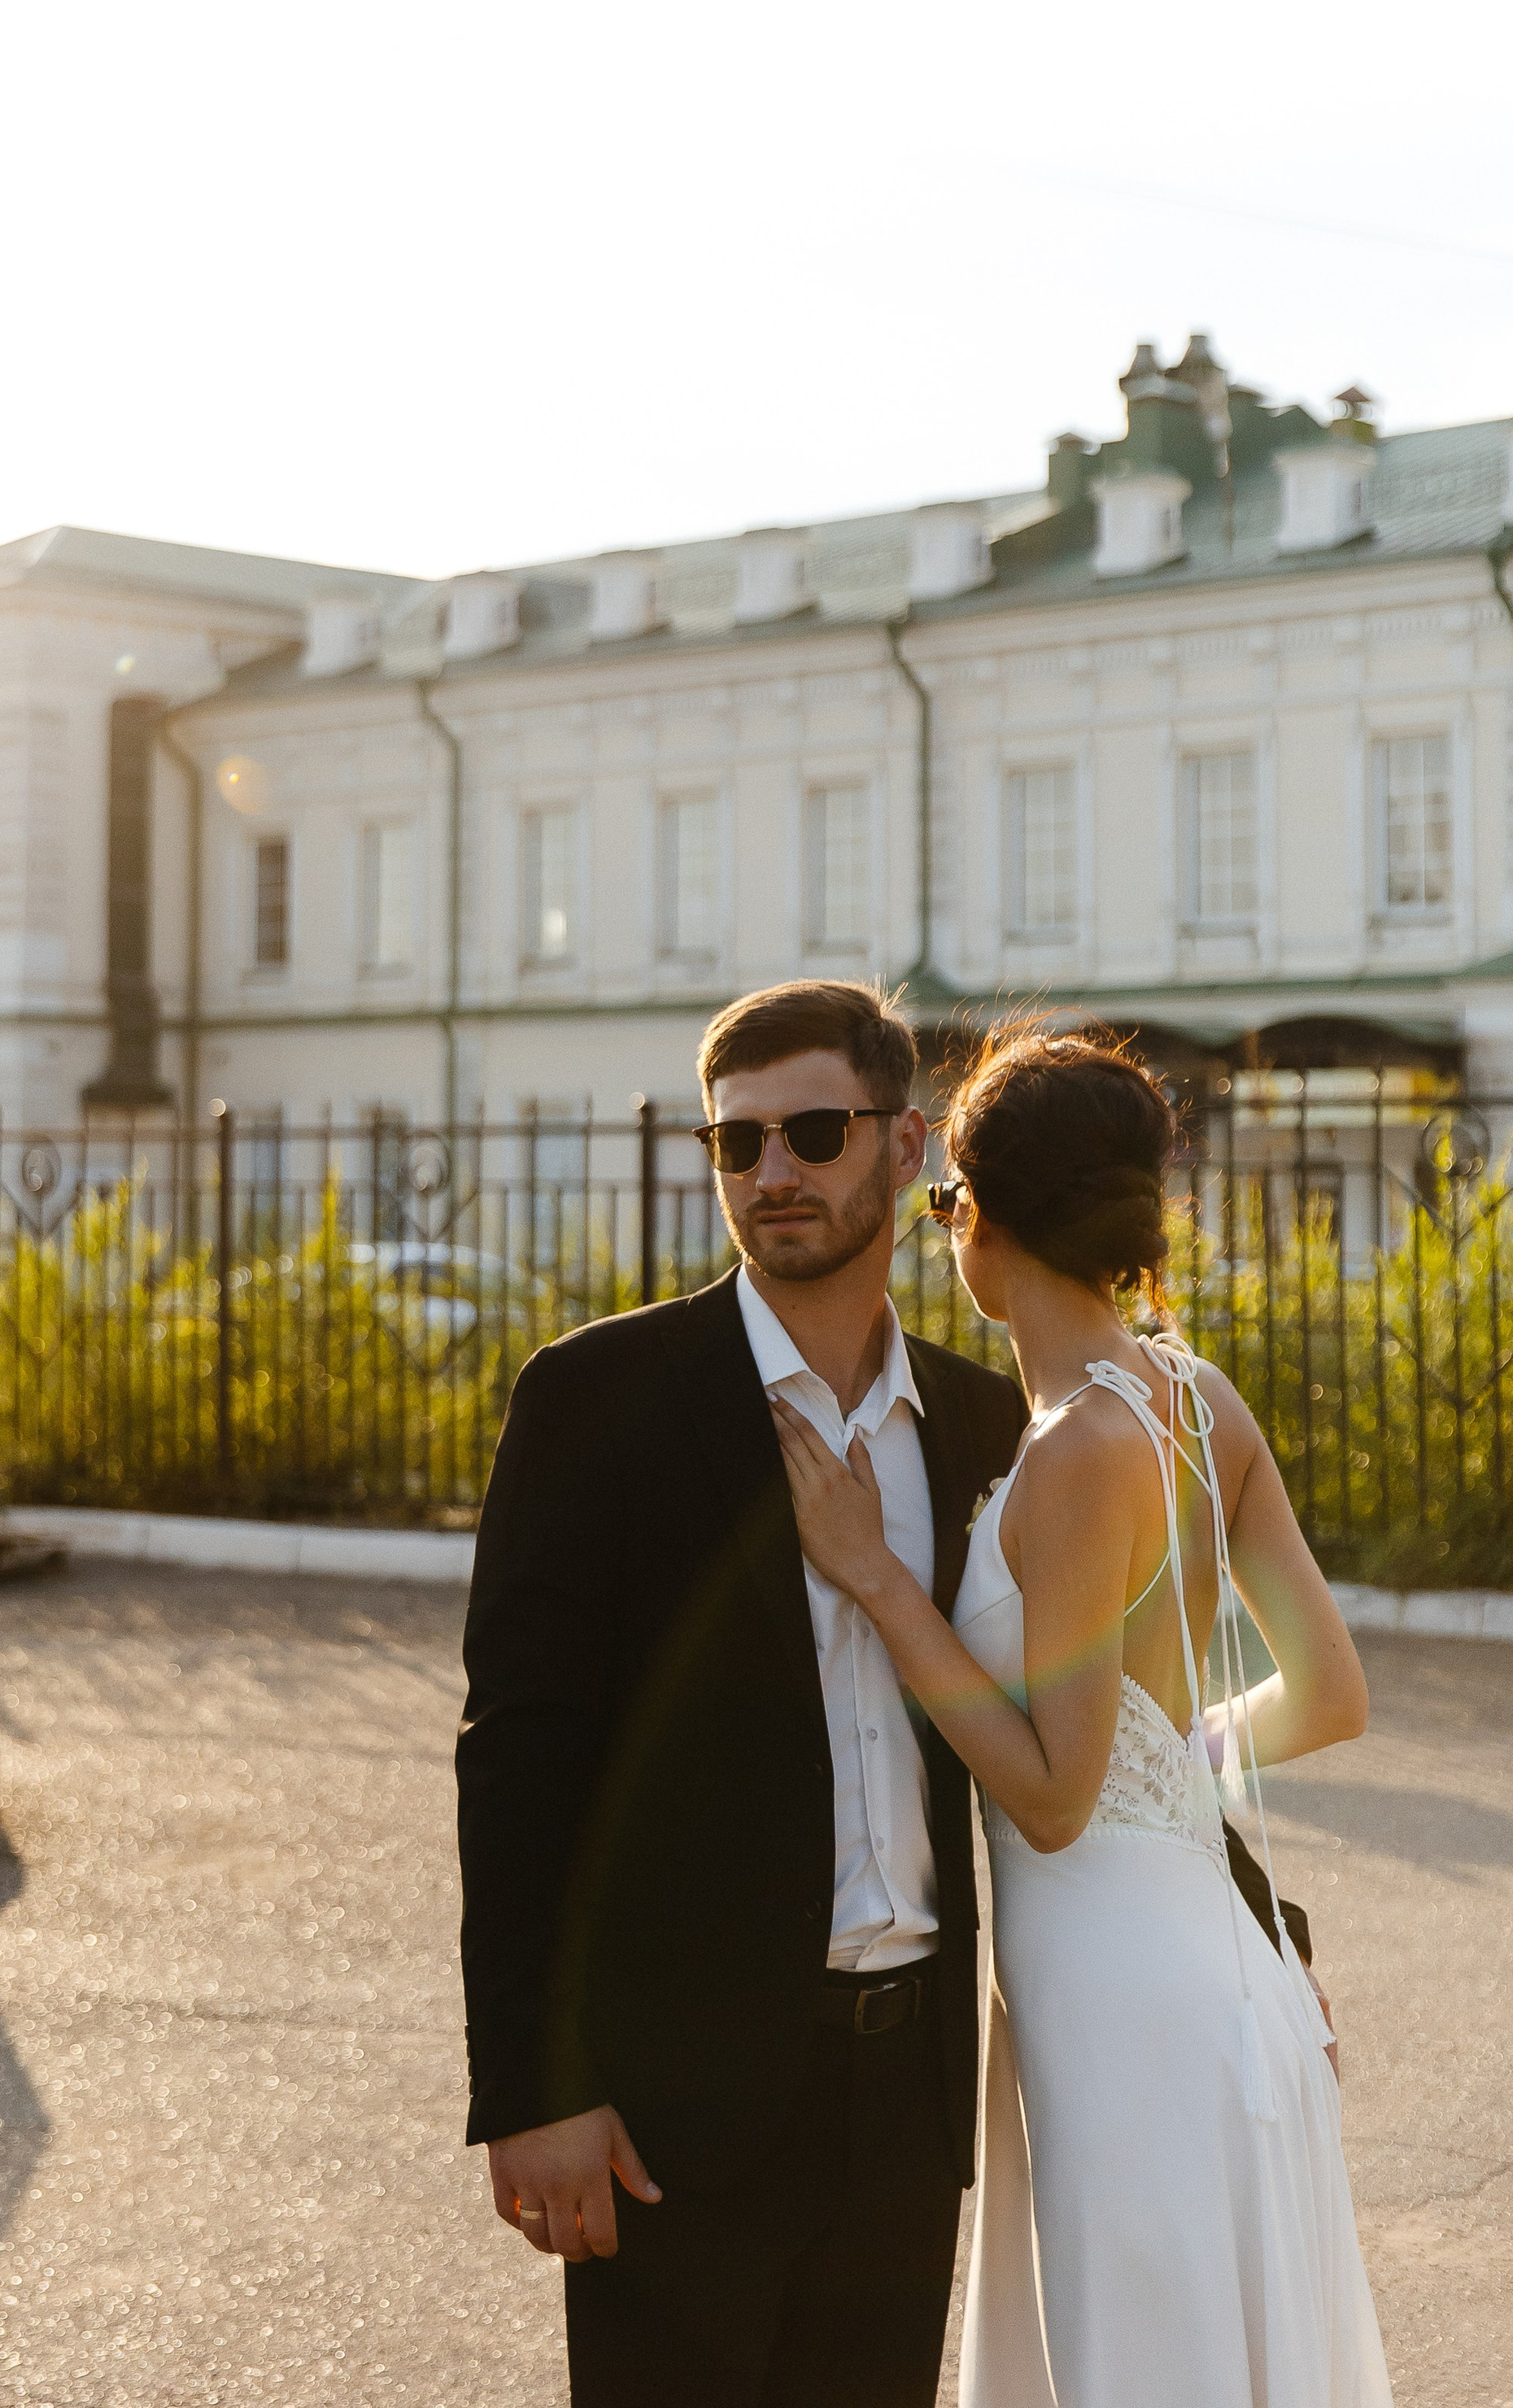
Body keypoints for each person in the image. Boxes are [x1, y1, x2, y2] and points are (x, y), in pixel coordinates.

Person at [770, 1026, 1391, 2406]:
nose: (944, 1238)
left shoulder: (1071, 1455)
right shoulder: (1196, 1398)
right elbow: (1330, 1691)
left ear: (983, 1216)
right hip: (1220, 1977)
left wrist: (878, 1577)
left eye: (947, 1206)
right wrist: (1163, 1778)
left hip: (1127, 2012)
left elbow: (1051, 1801)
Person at [456, 979, 1027, 2406]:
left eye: (815, 1131)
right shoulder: (595, 1399)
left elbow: (1086, 1714)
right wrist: (533, 2088)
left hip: (905, 2105)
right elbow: (518, 1761)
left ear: (904, 1151)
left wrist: (1266, 1936)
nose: (772, 1171)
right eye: (737, 1143)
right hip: (671, 2109)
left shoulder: (980, 1423)